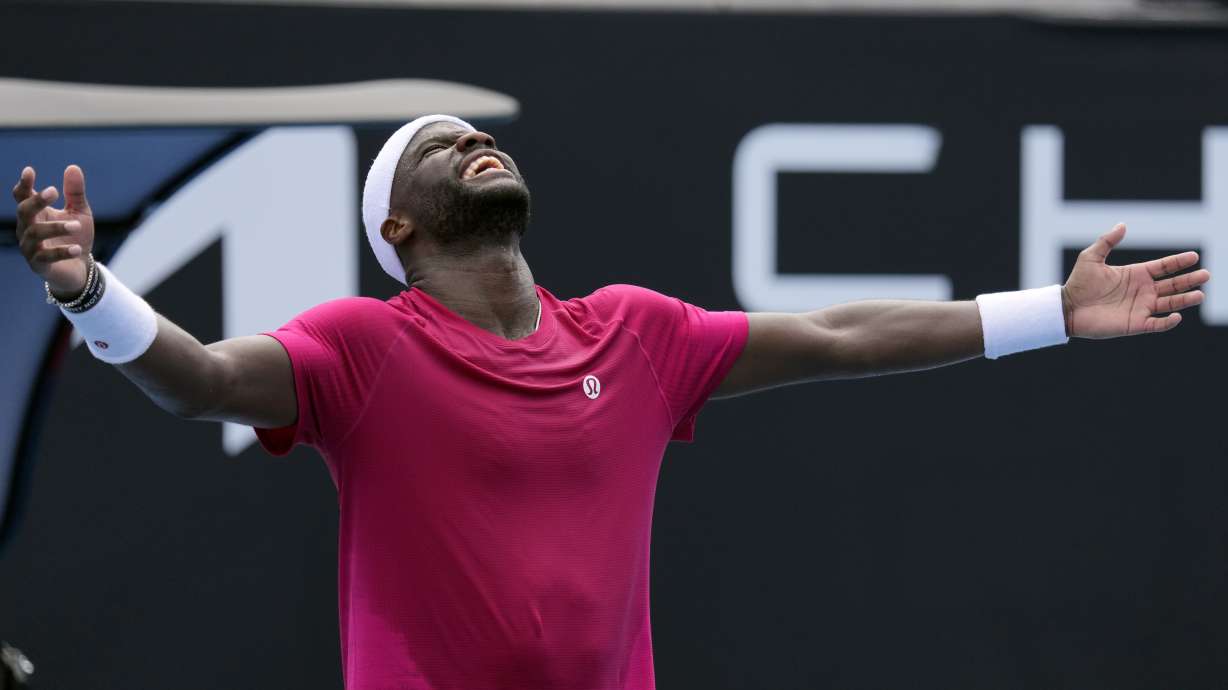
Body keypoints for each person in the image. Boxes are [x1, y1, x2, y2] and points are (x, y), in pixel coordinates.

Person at [12, 114, 1209, 690]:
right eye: (439, 149)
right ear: (401, 227)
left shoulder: (635, 333)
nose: (472, 140)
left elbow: (842, 335)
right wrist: (88, 290)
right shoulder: (362, 349)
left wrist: (1053, 311)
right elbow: (201, 382)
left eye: (478, 133)